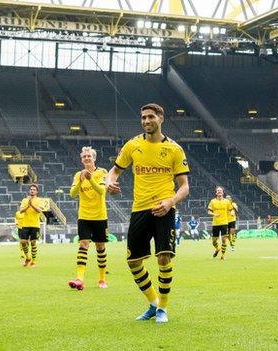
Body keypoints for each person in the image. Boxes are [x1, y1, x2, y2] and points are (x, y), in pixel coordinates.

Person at [107, 103, 189, 324]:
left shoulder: (174, 149)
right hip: (139, 209)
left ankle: (163, 307)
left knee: (163, 258)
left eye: (150, 117)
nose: (146, 121)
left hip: (164, 208)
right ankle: (152, 303)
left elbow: (184, 186)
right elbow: (114, 171)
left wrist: (170, 201)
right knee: (133, 262)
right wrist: (110, 183)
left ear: (161, 118)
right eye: (143, 117)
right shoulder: (133, 145)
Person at [67, 146, 109, 290]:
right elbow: (72, 194)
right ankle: (79, 278)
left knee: (100, 247)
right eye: (84, 156)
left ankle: (102, 279)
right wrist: (80, 180)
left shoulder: (102, 172)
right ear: (81, 159)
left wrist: (90, 179)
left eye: (89, 156)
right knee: (83, 244)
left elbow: (102, 191)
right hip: (84, 216)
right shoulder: (78, 175)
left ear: (94, 158)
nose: (86, 158)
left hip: (100, 216)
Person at [18, 184, 46, 268]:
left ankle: (33, 262)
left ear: (37, 191)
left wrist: (32, 205)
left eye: (34, 189)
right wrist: (28, 205)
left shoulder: (39, 200)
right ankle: (27, 258)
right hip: (25, 224)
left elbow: (39, 210)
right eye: (31, 189)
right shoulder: (24, 200)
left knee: (33, 243)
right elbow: (21, 211)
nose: (32, 191)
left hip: (35, 225)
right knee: (23, 242)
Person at [207, 186, 231, 259]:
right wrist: (214, 214)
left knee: (224, 239)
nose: (219, 191)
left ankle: (223, 256)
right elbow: (209, 212)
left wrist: (232, 212)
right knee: (214, 241)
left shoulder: (227, 201)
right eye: (218, 190)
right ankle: (217, 249)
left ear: (223, 192)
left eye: (220, 190)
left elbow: (231, 209)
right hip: (215, 223)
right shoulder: (212, 201)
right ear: (216, 192)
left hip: (224, 222)